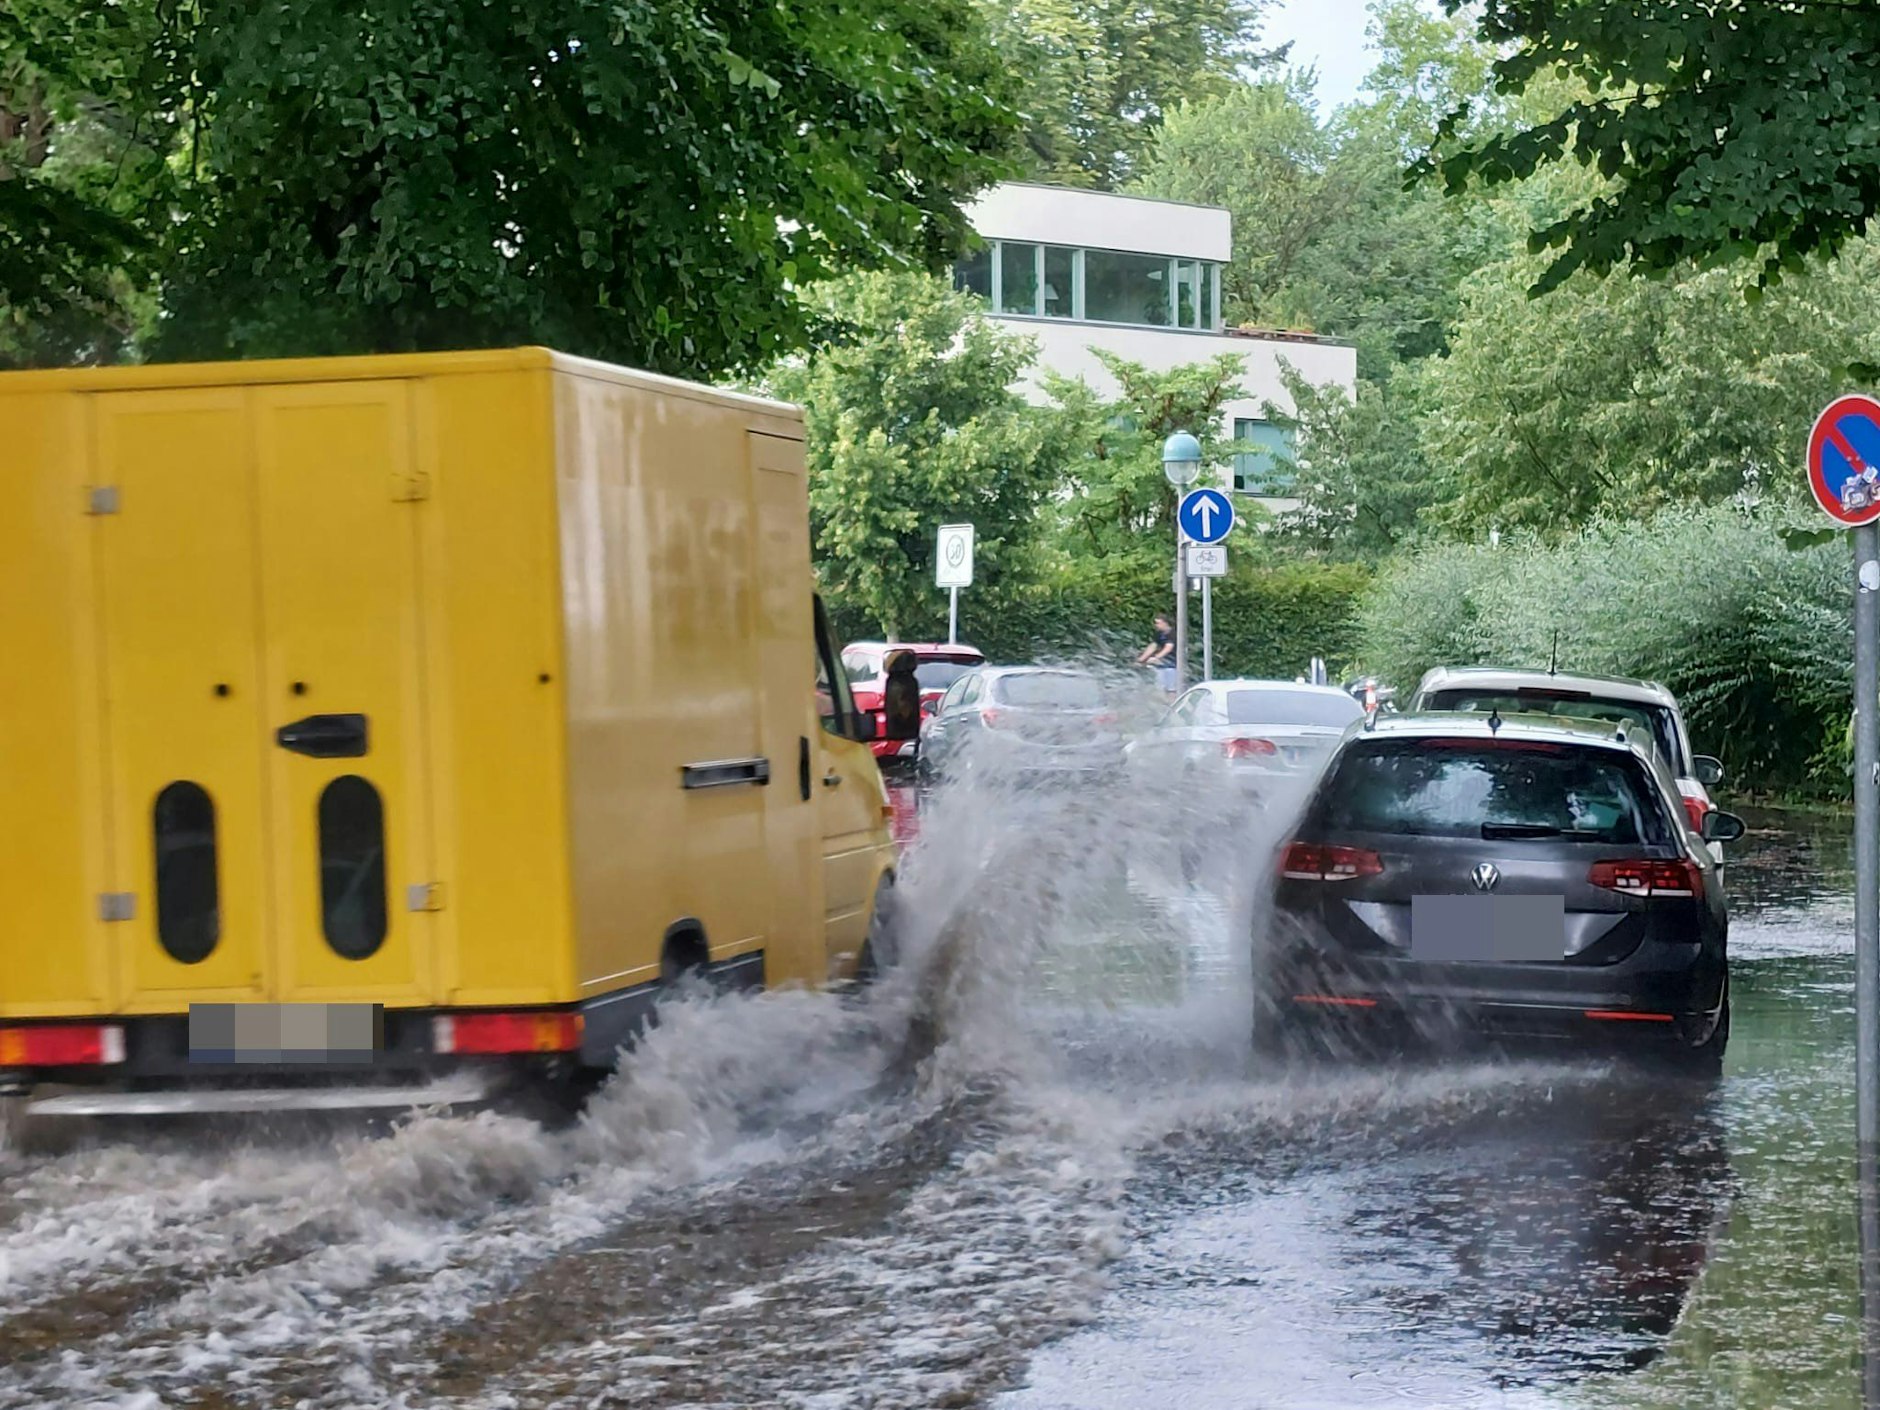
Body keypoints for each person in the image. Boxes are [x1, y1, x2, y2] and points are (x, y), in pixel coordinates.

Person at [1137, 614, 1176, 693]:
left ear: (1165, 623)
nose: (1156, 625)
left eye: (1158, 623)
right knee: (1160, 689)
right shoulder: (1158, 634)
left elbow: (1168, 648)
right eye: (1155, 623)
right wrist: (1141, 659)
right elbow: (1153, 646)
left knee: (1171, 690)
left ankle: (1172, 703)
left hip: (1173, 666)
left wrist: (1156, 658)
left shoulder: (1173, 634)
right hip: (1161, 666)